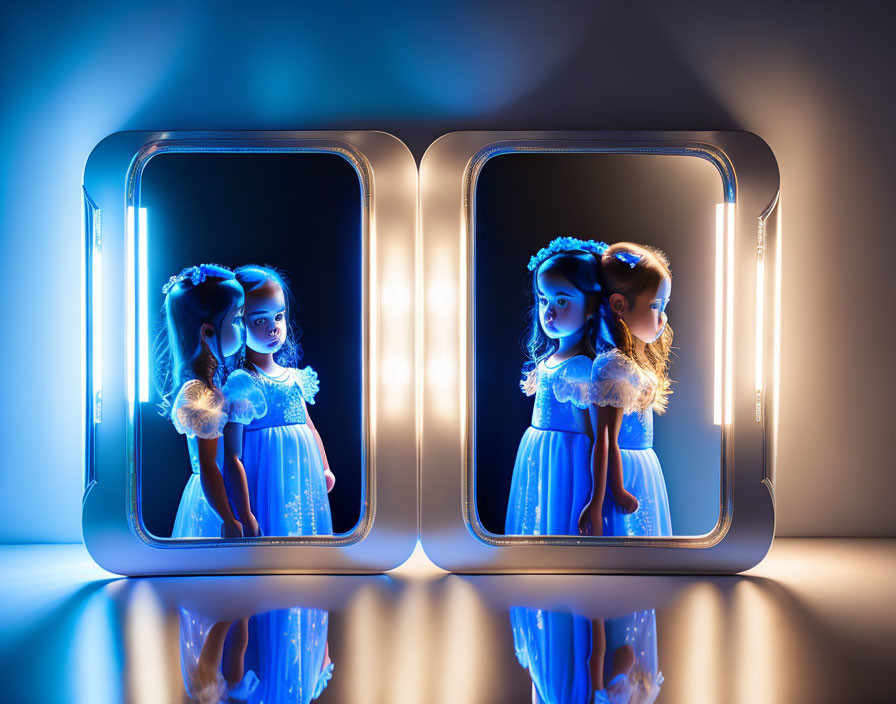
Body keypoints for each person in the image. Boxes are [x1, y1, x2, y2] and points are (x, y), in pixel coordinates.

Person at [505, 237, 608, 536]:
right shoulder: (551, 360)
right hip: (540, 452)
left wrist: (595, 498)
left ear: (591, 306)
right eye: (543, 299)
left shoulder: (581, 368)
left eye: (562, 301)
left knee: (562, 515)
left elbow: (594, 433)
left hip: (568, 457)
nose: (548, 311)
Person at [226, 265, 335, 537]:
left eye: (278, 317)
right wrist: (245, 513)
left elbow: (309, 426)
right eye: (260, 320)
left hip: (301, 473)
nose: (274, 328)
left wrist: (324, 467)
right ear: (238, 323)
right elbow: (232, 455)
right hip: (264, 472)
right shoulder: (243, 383)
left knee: (300, 527)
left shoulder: (296, 378)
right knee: (272, 525)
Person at [158, 264, 265, 539]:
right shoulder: (198, 394)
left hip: (225, 494)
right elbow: (208, 464)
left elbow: (232, 458)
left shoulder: (220, 387)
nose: (242, 327)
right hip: (210, 502)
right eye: (236, 320)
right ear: (207, 333)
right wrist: (228, 518)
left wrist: (246, 513)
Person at [578, 243, 674, 538]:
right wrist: (605, 496)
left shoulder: (631, 361)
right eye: (656, 306)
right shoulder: (612, 366)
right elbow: (605, 440)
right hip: (622, 473)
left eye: (665, 306)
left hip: (644, 466)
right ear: (620, 305)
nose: (663, 318)